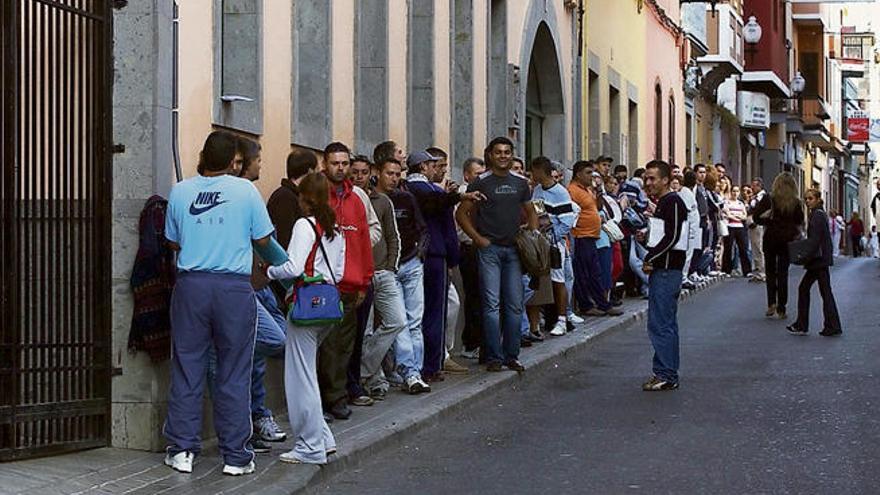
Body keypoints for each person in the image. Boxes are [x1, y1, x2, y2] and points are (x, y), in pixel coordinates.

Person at [163, 131, 274, 476]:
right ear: (232, 162)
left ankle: (181, 450)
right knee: (234, 370)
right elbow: (263, 239)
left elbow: (173, 242)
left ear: (202, 156)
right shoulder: (245, 190)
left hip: (191, 286)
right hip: (233, 289)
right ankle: (236, 456)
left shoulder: (180, 191)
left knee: (187, 366)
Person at [265, 173, 346, 465]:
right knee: (308, 375)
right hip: (327, 307)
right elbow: (338, 272)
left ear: (303, 197)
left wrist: (269, 271)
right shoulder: (335, 228)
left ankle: (309, 446)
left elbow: (293, 266)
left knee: (300, 378)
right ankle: (323, 439)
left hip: (304, 307)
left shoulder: (304, 225)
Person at [457, 137, 536, 372]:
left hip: (514, 251)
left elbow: (531, 211)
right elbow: (461, 214)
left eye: (507, 152)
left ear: (512, 155)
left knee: (513, 305)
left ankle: (511, 355)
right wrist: (478, 239)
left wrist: (531, 235)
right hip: (489, 251)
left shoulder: (521, 183)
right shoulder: (480, 182)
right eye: (498, 152)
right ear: (490, 155)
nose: (503, 156)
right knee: (491, 305)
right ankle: (493, 356)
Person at [319, 142, 381, 421]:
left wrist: (364, 281)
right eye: (336, 163)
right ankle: (324, 399)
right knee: (325, 345)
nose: (341, 168)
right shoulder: (317, 195)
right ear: (325, 165)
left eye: (345, 163)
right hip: (322, 283)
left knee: (344, 345)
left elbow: (363, 243)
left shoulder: (357, 199)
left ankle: (337, 397)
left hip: (351, 283)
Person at [406, 150, 477, 382]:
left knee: (413, 314)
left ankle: (411, 364)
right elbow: (448, 230)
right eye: (434, 165)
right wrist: (453, 259)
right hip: (436, 256)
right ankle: (432, 365)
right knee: (435, 312)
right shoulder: (435, 192)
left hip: (409, 257)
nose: (439, 169)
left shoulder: (402, 189)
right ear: (424, 167)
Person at [640, 160, 688, 391]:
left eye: (652, 178)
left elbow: (673, 237)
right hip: (663, 269)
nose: (648, 182)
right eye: (646, 178)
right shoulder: (664, 203)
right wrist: (646, 238)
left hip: (668, 271)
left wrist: (651, 257)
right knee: (661, 322)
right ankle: (664, 371)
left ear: (666, 180)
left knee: (662, 323)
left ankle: (667, 374)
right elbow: (662, 235)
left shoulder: (673, 202)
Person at [567, 161, 623, 317]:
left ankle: (600, 304)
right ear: (578, 174)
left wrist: (598, 192)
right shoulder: (572, 190)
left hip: (592, 236)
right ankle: (591, 305)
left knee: (594, 272)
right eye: (588, 172)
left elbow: (597, 207)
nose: (591, 176)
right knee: (587, 273)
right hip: (581, 236)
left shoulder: (587, 190)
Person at [530, 156, 578, 336]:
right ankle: (547, 317)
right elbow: (537, 213)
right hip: (541, 241)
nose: (532, 174)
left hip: (554, 243)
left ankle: (562, 319)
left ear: (541, 171)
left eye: (534, 171)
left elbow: (566, 222)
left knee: (558, 281)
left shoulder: (560, 192)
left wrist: (551, 239)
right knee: (542, 281)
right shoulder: (537, 191)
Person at [787, 189, 842, 337]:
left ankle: (804, 324)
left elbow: (815, 241)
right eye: (806, 199)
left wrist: (803, 255)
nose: (807, 201)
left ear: (818, 199)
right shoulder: (819, 214)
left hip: (818, 260)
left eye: (810, 198)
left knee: (808, 289)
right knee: (823, 291)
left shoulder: (817, 216)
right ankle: (831, 324)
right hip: (820, 259)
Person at [752, 172, 803, 319]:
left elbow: (756, 217)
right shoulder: (795, 202)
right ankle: (782, 307)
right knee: (783, 273)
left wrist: (768, 221)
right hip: (787, 240)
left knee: (770, 271)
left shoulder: (769, 199)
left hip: (771, 238)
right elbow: (799, 220)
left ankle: (771, 303)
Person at [458, 158, 487, 360]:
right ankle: (471, 343)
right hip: (468, 249)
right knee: (474, 297)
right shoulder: (462, 194)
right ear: (467, 175)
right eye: (477, 174)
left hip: (482, 248)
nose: (480, 178)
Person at [721, 185, 751, 277]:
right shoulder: (727, 202)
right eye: (733, 191)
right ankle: (726, 270)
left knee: (743, 249)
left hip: (740, 227)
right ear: (731, 192)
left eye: (737, 191)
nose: (735, 193)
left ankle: (747, 271)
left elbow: (744, 216)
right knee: (728, 248)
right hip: (730, 226)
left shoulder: (740, 204)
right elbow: (727, 214)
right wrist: (737, 216)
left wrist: (735, 215)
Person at [748, 177, 767, 281]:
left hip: (758, 225)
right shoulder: (755, 197)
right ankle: (758, 269)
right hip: (753, 224)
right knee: (755, 247)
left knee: (758, 247)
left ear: (759, 186)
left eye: (754, 186)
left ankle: (762, 271)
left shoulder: (762, 197)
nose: (752, 188)